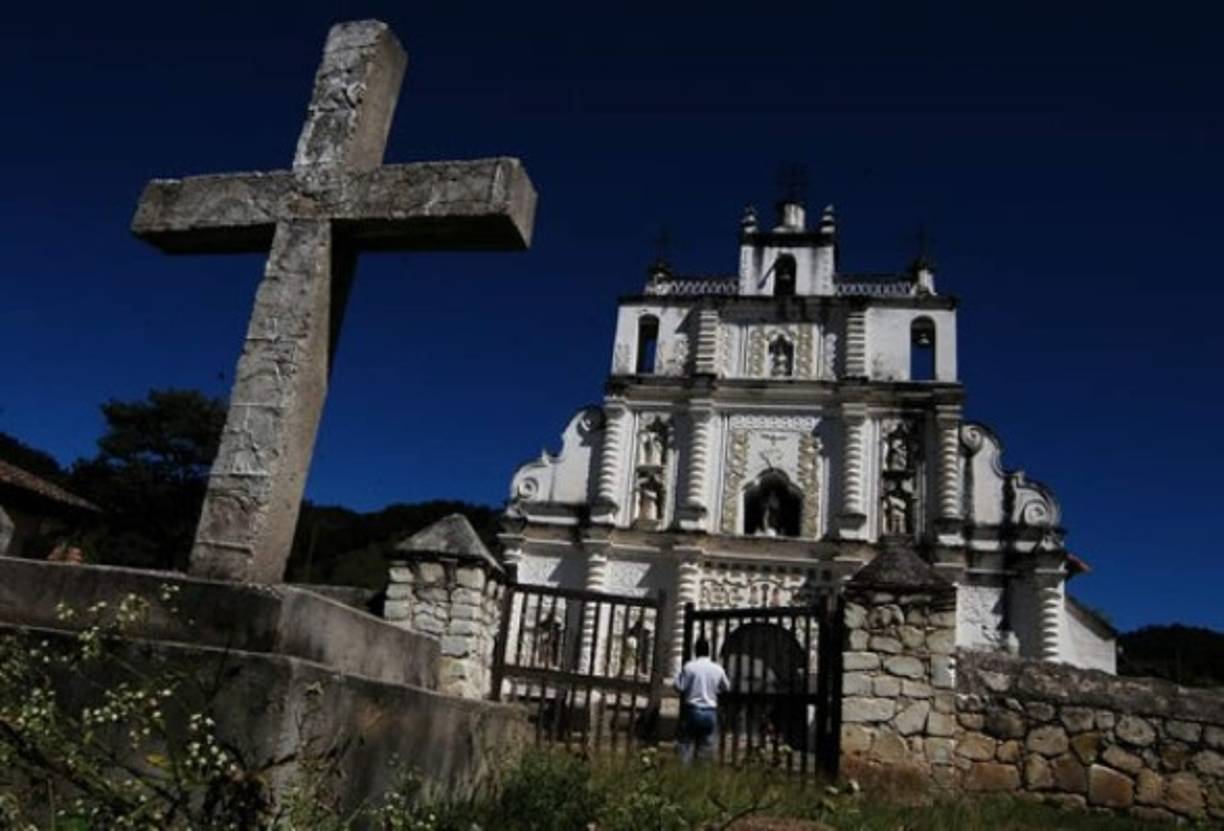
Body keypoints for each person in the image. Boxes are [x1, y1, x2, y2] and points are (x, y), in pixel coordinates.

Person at [674, 637, 729, 765]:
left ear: (695, 650)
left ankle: (683, 775)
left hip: (692, 709)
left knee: (686, 745)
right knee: (706, 746)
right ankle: (702, 775)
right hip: (710, 711)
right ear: (709, 651)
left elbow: (679, 686)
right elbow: (726, 687)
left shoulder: (689, 667)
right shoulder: (717, 669)